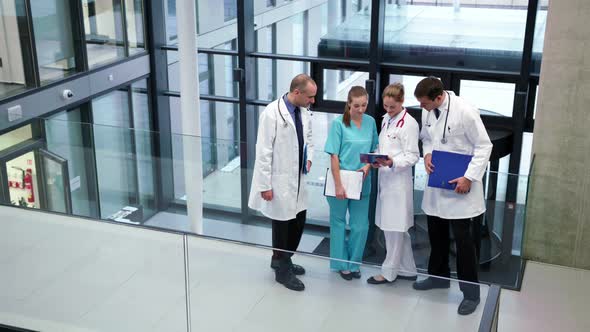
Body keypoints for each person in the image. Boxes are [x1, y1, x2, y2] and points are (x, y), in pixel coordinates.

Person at [412, 77, 492, 315]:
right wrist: (426, 155)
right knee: (436, 235)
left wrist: (469, 177)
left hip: (461, 188)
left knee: (464, 244)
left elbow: (484, 146)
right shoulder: (429, 111)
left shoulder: (465, 112)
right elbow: (427, 138)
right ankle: (438, 278)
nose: (422, 108)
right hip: (438, 184)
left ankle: (471, 295)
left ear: (438, 97)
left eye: (424, 103)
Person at [248, 74, 316, 292]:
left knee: (298, 222)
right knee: (282, 227)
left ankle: (282, 258)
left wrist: (309, 157)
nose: (312, 101)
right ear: (297, 92)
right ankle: (282, 271)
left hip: (297, 178)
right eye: (310, 96)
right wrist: (264, 185)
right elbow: (263, 152)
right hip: (278, 181)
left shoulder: (304, 112)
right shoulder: (271, 114)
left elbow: (310, 139)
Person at [366, 83, 419, 285]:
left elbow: (413, 156)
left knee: (394, 230)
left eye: (392, 107)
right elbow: (385, 146)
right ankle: (407, 269)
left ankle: (388, 273)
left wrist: (392, 162)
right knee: (397, 229)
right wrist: (376, 158)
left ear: (401, 102)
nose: (388, 110)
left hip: (398, 183)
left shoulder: (409, 124)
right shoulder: (386, 120)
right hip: (386, 179)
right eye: (386, 107)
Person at [324, 86, 378, 280]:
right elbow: (334, 157)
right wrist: (339, 185)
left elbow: (374, 150)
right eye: (357, 105)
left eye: (364, 105)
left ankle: (354, 264)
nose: (361, 109)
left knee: (361, 225)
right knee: (338, 223)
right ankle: (341, 265)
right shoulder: (338, 124)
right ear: (348, 104)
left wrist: (368, 167)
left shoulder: (371, 122)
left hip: (362, 182)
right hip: (341, 180)